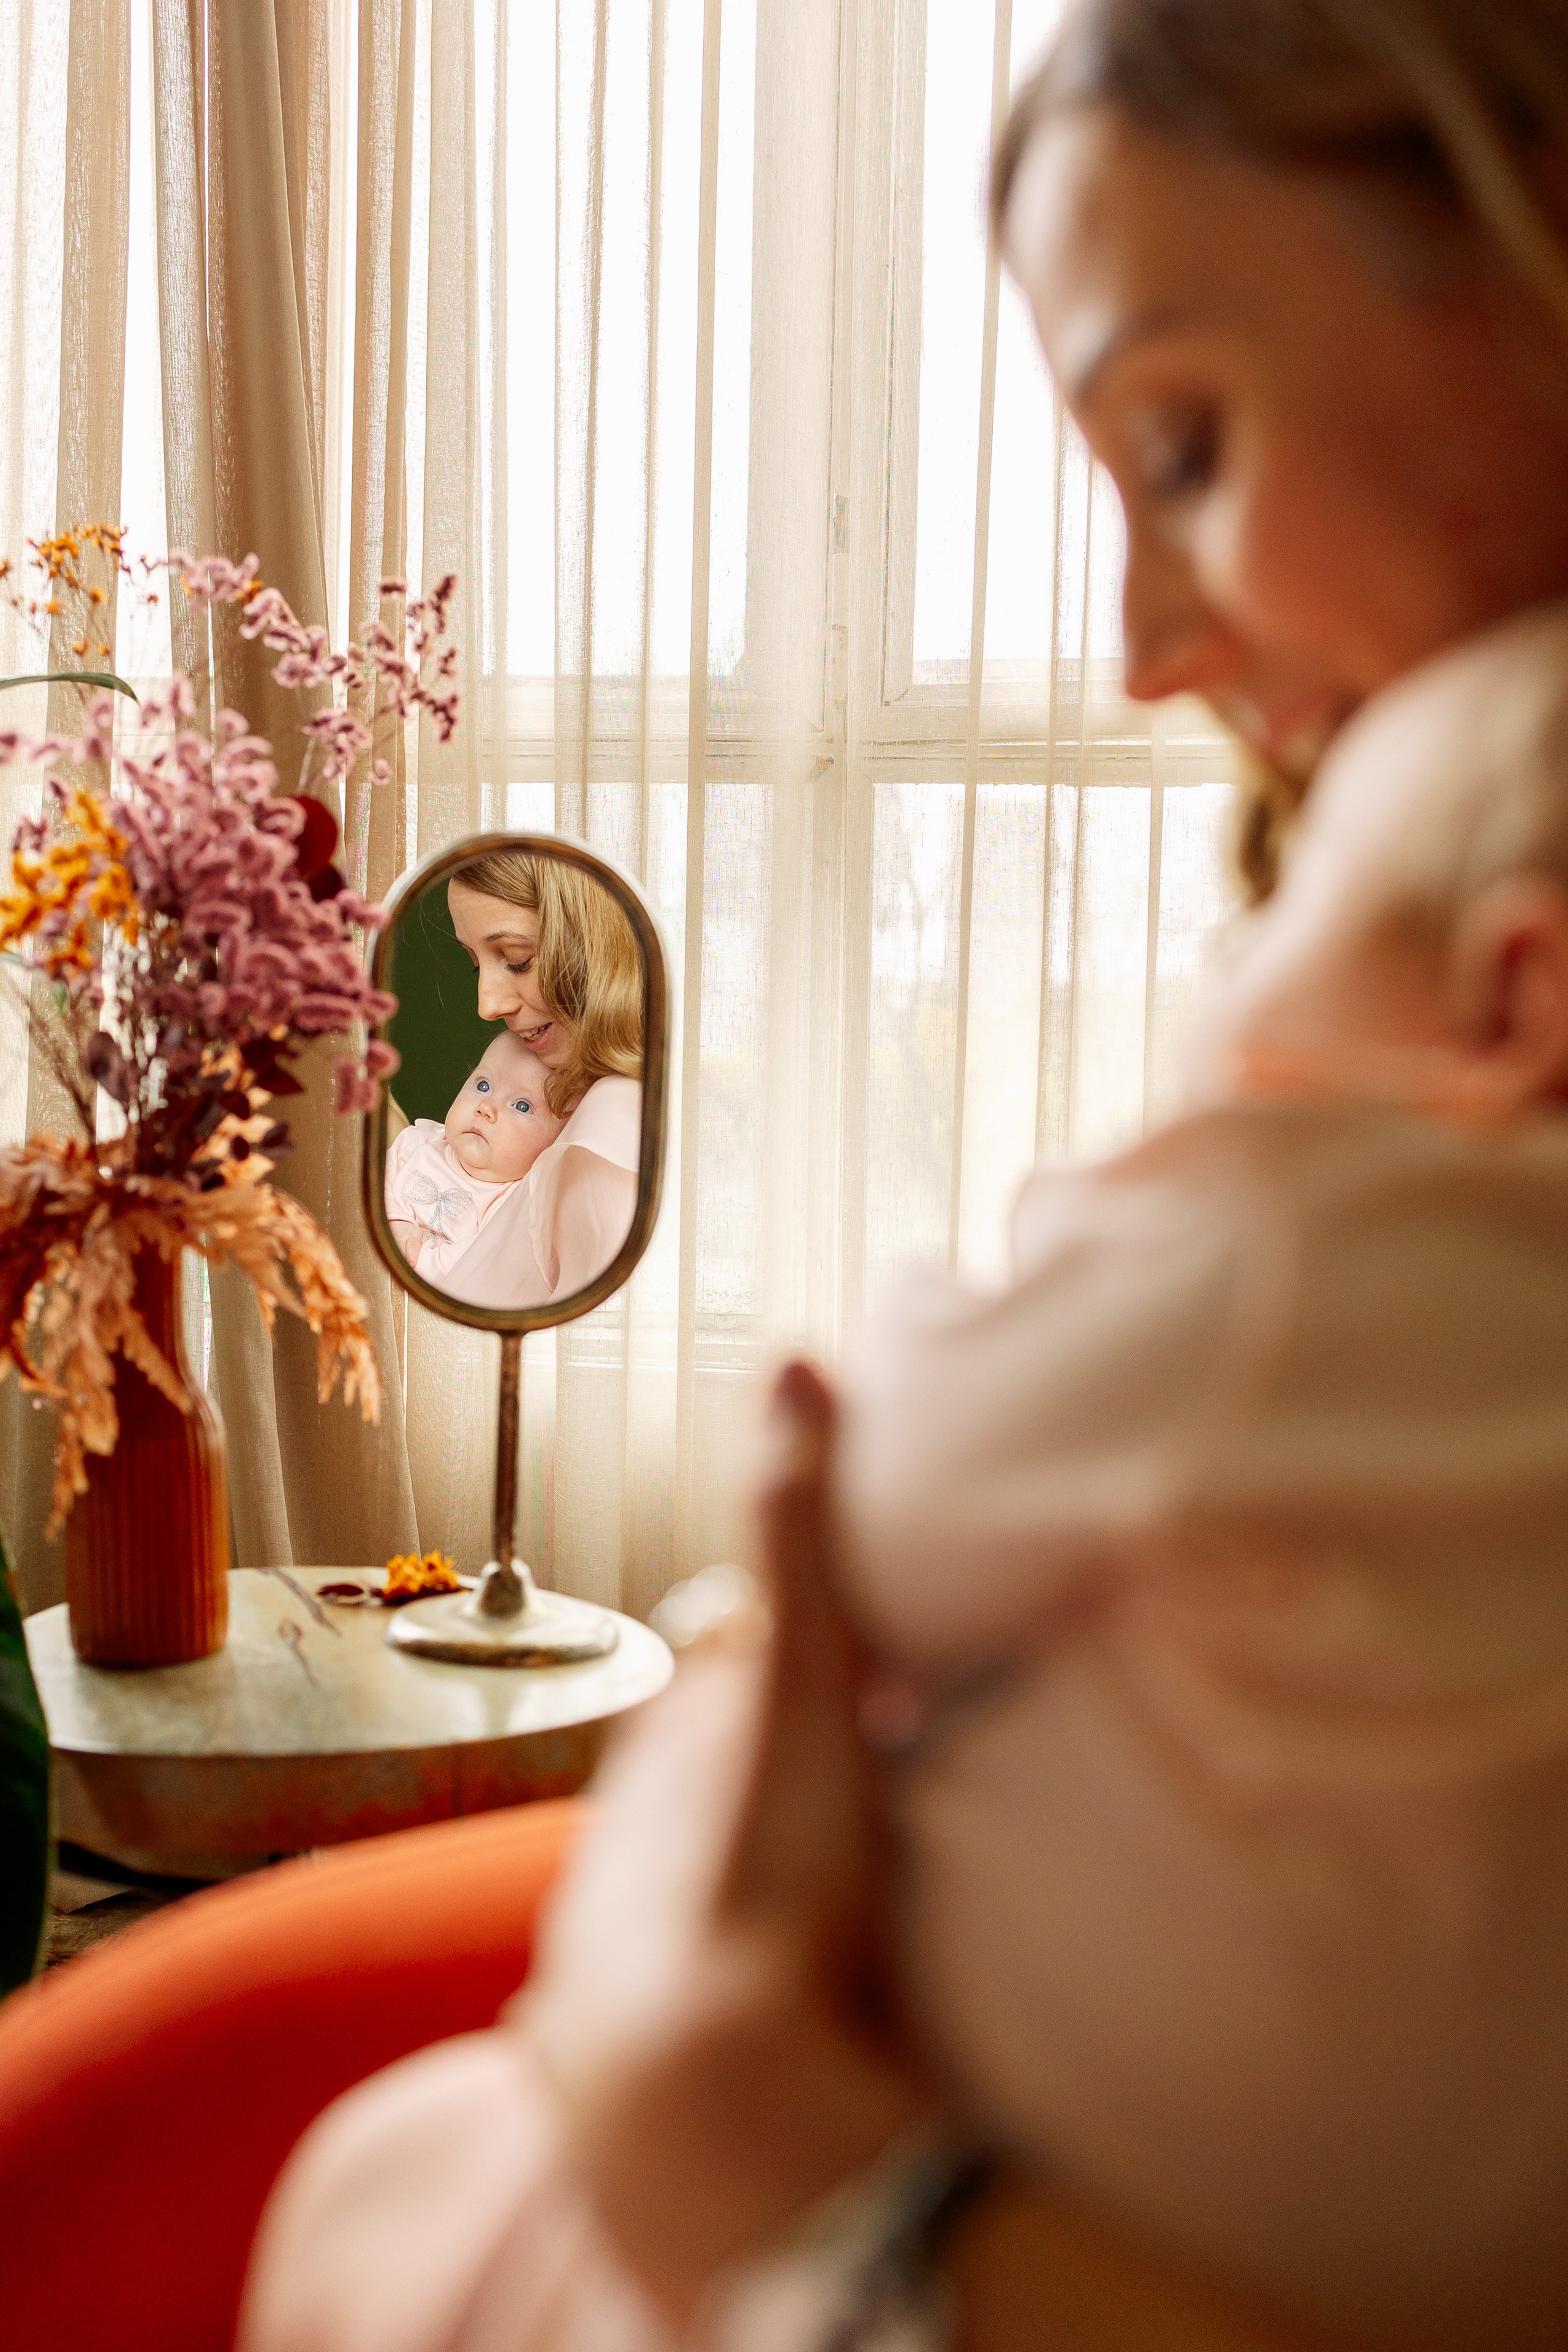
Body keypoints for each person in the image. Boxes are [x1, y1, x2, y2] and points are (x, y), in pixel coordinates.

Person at [244, 4, 1568, 2347]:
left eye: (1181, 440)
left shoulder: (1307, 1225)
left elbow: (867, 1493)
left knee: (390, 2185)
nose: (1147, 653)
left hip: (829, 2204)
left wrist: (714, 2073)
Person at [442, 853, 644, 1306]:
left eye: (516, 960)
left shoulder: (610, 1122)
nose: (487, 1006)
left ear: (597, 947)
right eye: (476, 964)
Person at [385, 1033, 563, 1287]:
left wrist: (415, 1261)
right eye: (483, 1086)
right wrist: (396, 1223)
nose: (486, 1107)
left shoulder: (519, 1202)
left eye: (522, 1106)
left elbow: (475, 1262)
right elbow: (375, 1186)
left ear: (554, 1143)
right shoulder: (418, 1141)